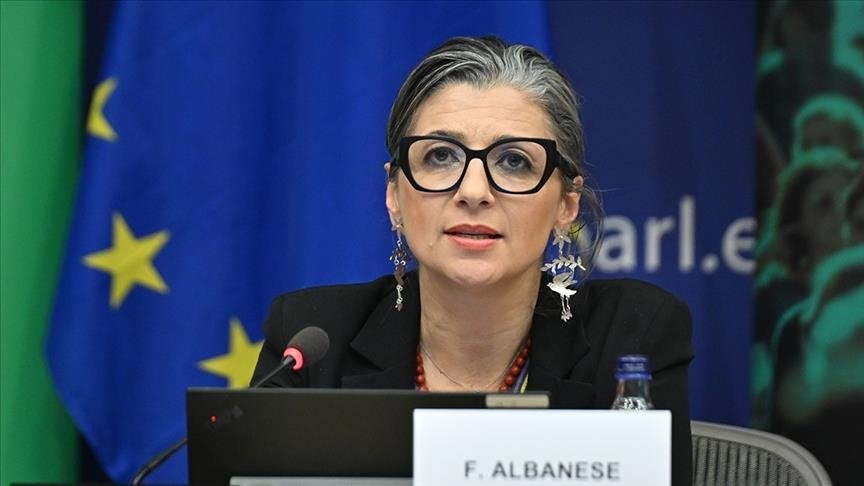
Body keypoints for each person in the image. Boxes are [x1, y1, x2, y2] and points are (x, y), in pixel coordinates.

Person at [251, 36, 694, 486]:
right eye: (441, 156)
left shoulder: (631, 337)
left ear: (567, 204)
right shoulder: (312, 340)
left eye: (514, 161)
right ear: (395, 194)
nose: (474, 191)